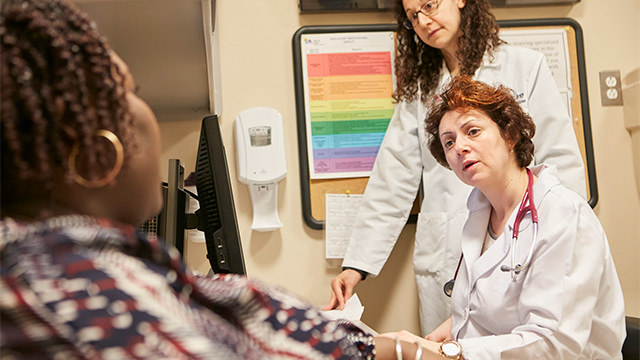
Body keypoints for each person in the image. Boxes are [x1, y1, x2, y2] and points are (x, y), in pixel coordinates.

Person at [0, 1, 432, 358]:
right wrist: (391, 349)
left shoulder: (71, 264)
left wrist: (383, 346)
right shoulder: (76, 292)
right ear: (98, 151)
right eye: (132, 91)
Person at [324, 0, 587, 335]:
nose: (422, 20)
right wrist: (355, 268)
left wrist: (568, 239)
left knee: (517, 345)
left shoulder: (525, 66)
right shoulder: (421, 91)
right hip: (447, 252)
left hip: (518, 238)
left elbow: (560, 159)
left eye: (429, 5)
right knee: (444, 350)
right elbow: (393, 179)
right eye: (412, 16)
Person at [378, 75, 625, 359]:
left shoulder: (563, 215)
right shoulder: (480, 215)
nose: (459, 147)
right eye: (448, 142)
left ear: (509, 135)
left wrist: (447, 351)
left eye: (472, 131)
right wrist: (455, 327)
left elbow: (554, 343)